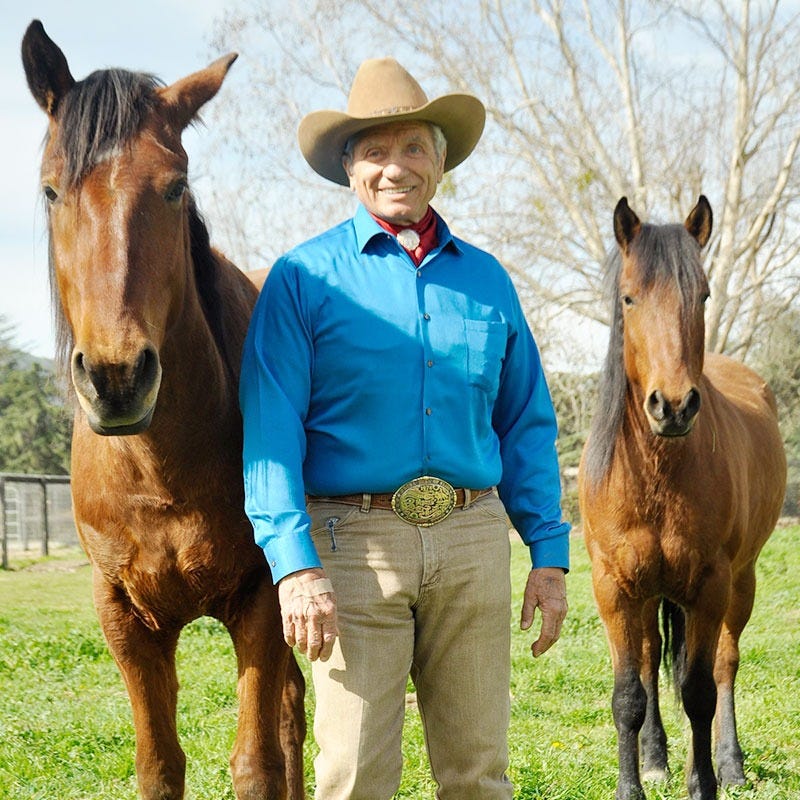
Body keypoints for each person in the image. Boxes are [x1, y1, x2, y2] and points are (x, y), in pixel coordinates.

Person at [240, 57, 570, 800]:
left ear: (440, 162)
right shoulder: (302, 279)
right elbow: (270, 432)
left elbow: (525, 422)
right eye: (376, 151)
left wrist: (548, 556)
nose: (396, 166)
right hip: (351, 546)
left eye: (415, 147)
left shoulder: (487, 280)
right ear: (350, 168)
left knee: (479, 774)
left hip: (473, 538)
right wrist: (294, 566)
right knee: (356, 774)